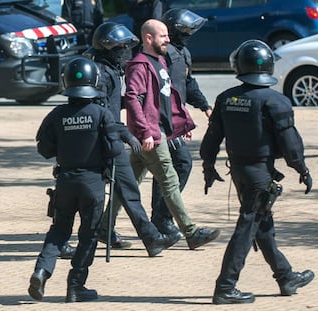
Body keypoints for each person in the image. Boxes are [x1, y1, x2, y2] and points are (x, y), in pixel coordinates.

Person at [200, 39, 314, 304]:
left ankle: (286, 277)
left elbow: (212, 137)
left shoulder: (226, 98)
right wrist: (301, 168)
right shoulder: (276, 101)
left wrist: (208, 166)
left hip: (239, 172)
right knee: (247, 227)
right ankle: (225, 287)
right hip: (260, 174)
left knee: (262, 226)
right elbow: (290, 143)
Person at [27, 56, 124, 303]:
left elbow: (44, 149)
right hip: (92, 183)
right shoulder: (102, 114)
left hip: (65, 181)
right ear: (95, 81)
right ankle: (75, 285)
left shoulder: (56, 114)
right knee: (88, 235)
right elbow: (114, 150)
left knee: (59, 231)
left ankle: (42, 270)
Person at [84, 21, 182, 255]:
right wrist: (128, 135)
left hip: (111, 137)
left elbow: (113, 104)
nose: (124, 52)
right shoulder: (101, 72)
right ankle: (149, 237)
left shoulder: (109, 70)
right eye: (120, 47)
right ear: (108, 47)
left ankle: (139, 236)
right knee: (113, 190)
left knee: (125, 189)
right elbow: (104, 111)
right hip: (105, 139)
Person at [122, 19, 220, 250]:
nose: (168, 39)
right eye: (163, 36)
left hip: (159, 131)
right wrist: (145, 132)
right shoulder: (139, 65)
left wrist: (181, 124)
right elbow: (132, 98)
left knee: (126, 186)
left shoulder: (159, 62)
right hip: (151, 135)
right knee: (170, 180)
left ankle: (100, 229)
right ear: (148, 38)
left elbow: (169, 98)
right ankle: (191, 232)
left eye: (167, 35)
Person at [150, 8, 212, 236]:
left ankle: (159, 219)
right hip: (161, 121)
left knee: (164, 169)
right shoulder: (161, 54)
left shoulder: (182, 52)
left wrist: (204, 106)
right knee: (180, 164)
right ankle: (162, 218)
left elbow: (186, 84)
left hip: (173, 120)